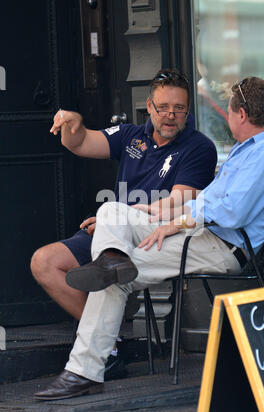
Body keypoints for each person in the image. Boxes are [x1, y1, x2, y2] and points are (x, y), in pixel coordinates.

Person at [35, 76, 264, 401]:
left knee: (116, 280)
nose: (228, 119)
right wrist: (156, 213)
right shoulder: (252, 150)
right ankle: (111, 257)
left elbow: (231, 212)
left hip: (221, 245)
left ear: (241, 114)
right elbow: (209, 200)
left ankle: (83, 372)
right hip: (200, 233)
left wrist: (177, 222)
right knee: (113, 211)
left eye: (228, 113)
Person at [30, 68, 217, 380]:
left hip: (152, 237)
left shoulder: (199, 147)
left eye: (179, 108)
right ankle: (112, 344)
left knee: (108, 248)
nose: (170, 116)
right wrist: (71, 123)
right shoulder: (132, 135)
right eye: (162, 108)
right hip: (111, 231)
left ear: (188, 110)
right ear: (149, 106)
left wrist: (116, 215)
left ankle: (98, 346)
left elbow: (179, 205)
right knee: (43, 262)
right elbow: (80, 143)